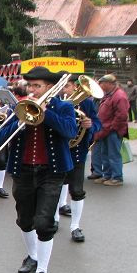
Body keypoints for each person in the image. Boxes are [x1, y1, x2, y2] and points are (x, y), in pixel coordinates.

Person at [0, 67, 77, 273]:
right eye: (29, 85)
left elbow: (70, 131)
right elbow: (1, 138)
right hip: (22, 170)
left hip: (52, 171)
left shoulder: (64, 106)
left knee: (44, 222)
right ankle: (32, 256)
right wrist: (20, 120)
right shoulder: (19, 107)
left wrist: (45, 113)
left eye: (36, 86)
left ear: (49, 87)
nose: (31, 90)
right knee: (24, 219)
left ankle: (42, 271)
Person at [55, 76, 101, 243]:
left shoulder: (86, 103)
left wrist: (91, 125)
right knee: (55, 185)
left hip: (77, 150)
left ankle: (75, 226)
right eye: (62, 87)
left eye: (67, 86)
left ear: (74, 87)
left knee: (77, 189)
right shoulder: (54, 102)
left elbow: (97, 123)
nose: (64, 90)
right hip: (58, 149)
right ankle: (55, 219)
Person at [91, 74, 129, 186]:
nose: (99, 85)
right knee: (105, 154)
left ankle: (117, 177)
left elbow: (122, 115)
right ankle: (107, 175)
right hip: (105, 130)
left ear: (108, 83)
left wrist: (112, 128)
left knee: (113, 155)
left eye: (101, 83)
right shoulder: (108, 95)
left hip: (113, 131)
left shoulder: (119, 96)